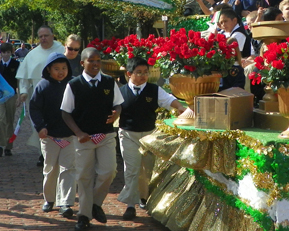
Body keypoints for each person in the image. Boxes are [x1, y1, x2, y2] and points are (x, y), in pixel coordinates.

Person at [61, 47, 123, 231]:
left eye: (98, 60)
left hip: (105, 135)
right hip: (84, 139)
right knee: (84, 177)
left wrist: (116, 115)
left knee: (109, 171)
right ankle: (84, 216)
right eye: (91, 60)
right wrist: (79, 133)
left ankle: (95, 204)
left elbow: (118, 104)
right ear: (82, 63)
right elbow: (65, 113)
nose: (96, 64)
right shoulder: (74, 85)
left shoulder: (109, 82)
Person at [118, 57, 185, 221]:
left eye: (145, 73)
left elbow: (169, 100)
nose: (143, 76)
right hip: (128, 135)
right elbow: (112, 109)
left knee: (147, 169)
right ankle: (130, 205)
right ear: (129, 74)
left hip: (149, 135)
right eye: (138, 73)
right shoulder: (120, 92)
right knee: (132, 169)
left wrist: (182, 109)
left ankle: (144, 197)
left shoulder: (154, 90)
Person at [29, 53, 75, 218]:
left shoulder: (73, 84)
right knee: (50, 169)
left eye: (64, 68)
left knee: (68, 169)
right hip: (50, 137)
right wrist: (40, 127)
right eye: (56, 69)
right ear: (48, 69)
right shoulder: (43, 86)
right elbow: (34, 107)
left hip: (70, 136)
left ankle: (66, 202)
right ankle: (49, 199)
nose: (61, 72)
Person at [16, 26, 65, 160]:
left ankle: (59, 150)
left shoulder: (62, 50)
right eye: (41, 36)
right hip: (38, 94)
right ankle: (43, 153)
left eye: (46, 35)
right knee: (38, 123)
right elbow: (24, 76)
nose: (43, 38)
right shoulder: (32, 54)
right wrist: (24, 91)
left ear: (52, 35)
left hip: (59, 93)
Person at [218, 9, 251, 90]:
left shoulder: (238, 34)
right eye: (221, 22)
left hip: (238, 67)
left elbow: (232, 55)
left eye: (225, 21)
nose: (223, 24)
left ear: (235, 20)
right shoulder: (226, 33)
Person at [0, 42, 19, 156]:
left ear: (11, 53)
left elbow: (19, 81)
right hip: (1, 96)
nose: (5, 55)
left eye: (7, 52)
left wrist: (20, 95)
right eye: (3, 52)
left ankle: (8, 145)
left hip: (12, 96)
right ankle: (1, 144)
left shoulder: (16, 64)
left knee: (9, 120)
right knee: (1, 119)